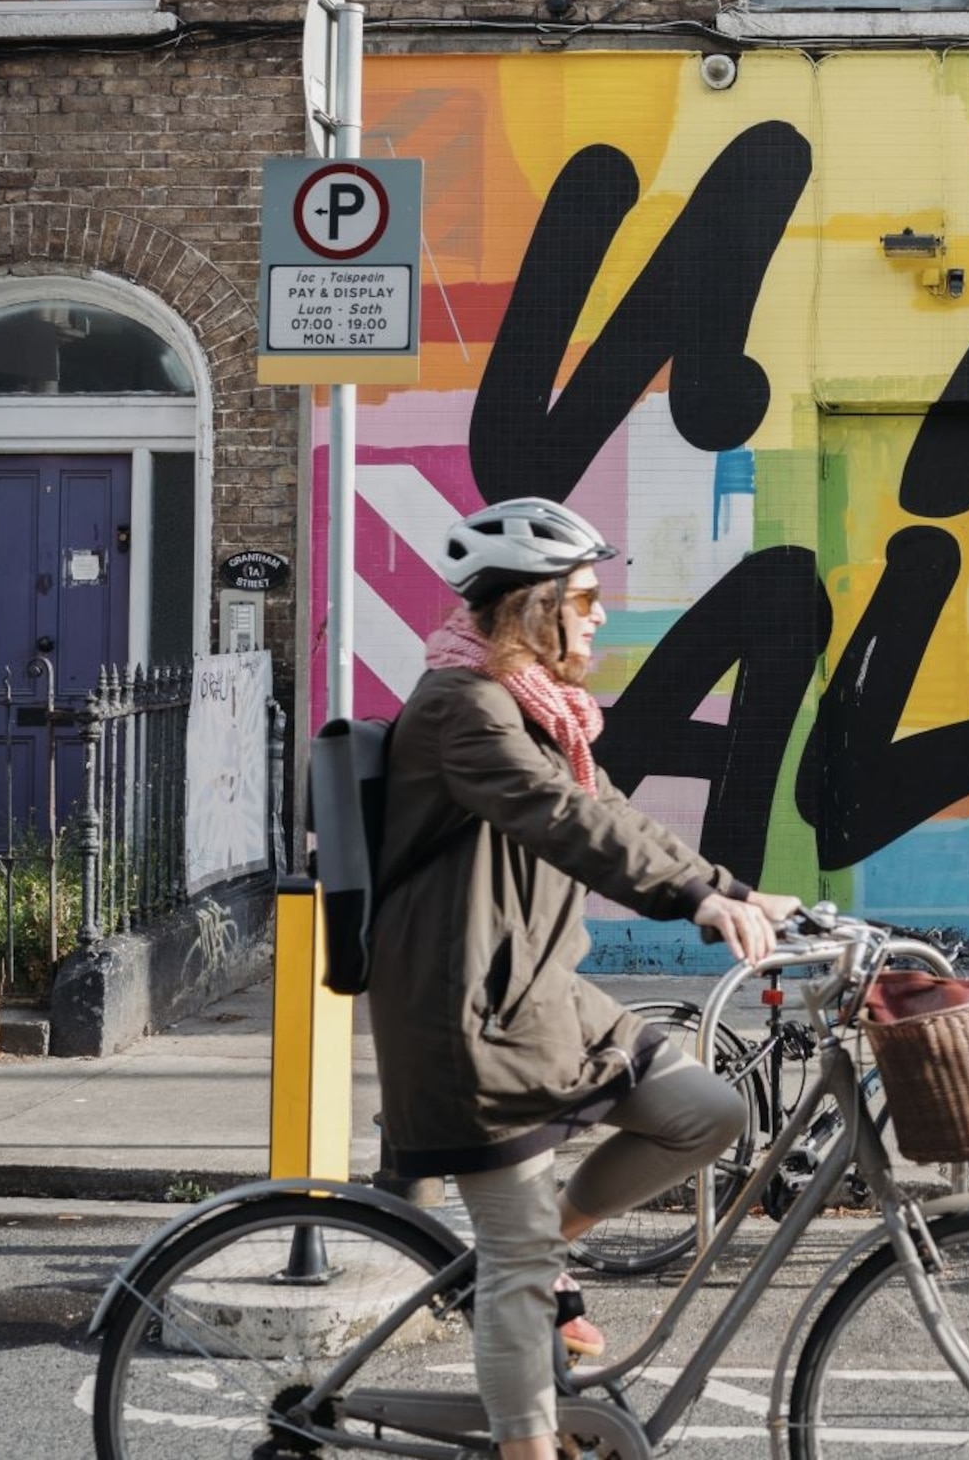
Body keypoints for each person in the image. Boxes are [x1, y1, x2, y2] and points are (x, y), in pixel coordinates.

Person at [368, 495, 797, 1460]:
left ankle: (539, 1250)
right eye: (586, 597)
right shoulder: (463, 711)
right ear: (531, 609)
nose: (600, 615)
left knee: (709, 1113)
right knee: (517, 1265)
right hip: (467, 1016)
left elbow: (606, 809)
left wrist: (732, 889)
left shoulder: (532, 710)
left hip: (538, 995)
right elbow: (565, 822)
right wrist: (692, 899)